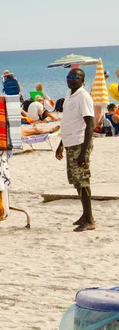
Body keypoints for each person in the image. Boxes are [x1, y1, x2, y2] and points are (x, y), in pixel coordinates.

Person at [55, 68, 95, 232]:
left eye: (75, 77)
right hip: (70, 142)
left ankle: (90, 219)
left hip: (80, 143)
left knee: (83, 181)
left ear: (82, 80)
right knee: (76, 181)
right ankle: (85, 215)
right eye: (69, 77)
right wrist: (61, 144)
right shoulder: (70, 96)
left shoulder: (84, 96)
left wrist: (84, 151)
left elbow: (90, 125)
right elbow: (68, 122)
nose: (70, 80)